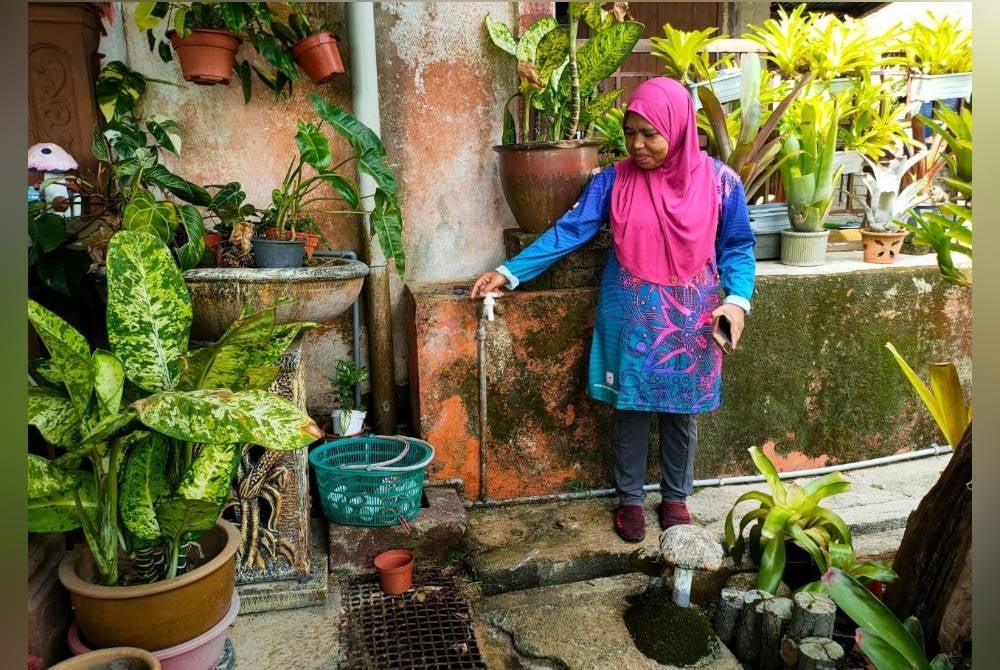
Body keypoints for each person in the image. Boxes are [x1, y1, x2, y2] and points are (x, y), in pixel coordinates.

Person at [470, 77, 756, 543]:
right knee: (630, 408)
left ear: (678, 129)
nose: (637, 145)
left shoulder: (722, 183)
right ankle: (629, 500)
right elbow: (571, 230)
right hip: (631, 316)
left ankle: (676, 497)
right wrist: (510, 272)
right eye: (629, 134)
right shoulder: (613, 180)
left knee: (681, 411)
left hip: (693, 318)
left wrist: (737, 301)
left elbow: (738, 247)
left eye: (649, 134)